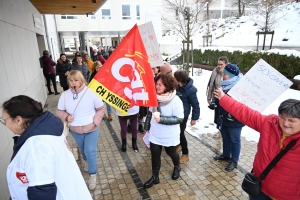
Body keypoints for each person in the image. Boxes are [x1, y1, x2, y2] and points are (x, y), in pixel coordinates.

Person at [2, 95, 92, 200]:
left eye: (4, 119)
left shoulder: (36, 147)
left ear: (18, 120)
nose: (4, 124)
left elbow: (42, 193)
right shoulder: (46, 132)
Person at [213, 92, 300, 200]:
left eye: (291, 120)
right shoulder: (270, 123)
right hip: (259, 189)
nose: (285, 123)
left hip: (285, 196)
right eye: (282, 118)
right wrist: (224, 98)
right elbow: (246, 113)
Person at [56, 70, 105, 191]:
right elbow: (59, 111)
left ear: (81, 80)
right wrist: (66, 117)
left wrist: (96, 121)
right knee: (83, 151)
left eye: (76, 80)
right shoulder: (65, 95)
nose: (73, 83)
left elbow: (101, 108)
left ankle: (92, 175)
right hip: (75, 130)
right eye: (71, 80)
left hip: (92, 128)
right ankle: (86, 162)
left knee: (90, 151)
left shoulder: (91, 92)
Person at [143, 74, 184, 189]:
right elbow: (150, 113)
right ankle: (155, 177)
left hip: (169, 135)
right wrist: (146, 128)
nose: (157, 86)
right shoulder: (153, 97)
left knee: (171, 153)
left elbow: (180, 118)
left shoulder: (176, 100)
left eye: (160, 84)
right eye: (156, 84)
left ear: (167, 85)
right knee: (155, 155)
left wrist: (162, 119)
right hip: (155, 133)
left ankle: (177, 166)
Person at [213, 64, 244, 171]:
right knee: (225, 137)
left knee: (235, 140)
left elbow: (241, 105)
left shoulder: (239, 87)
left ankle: (234, 160)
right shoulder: (224, 84)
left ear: (231, 75)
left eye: (225, 74)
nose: (223, 76)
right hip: (223, 117)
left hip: (235, 120)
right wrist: (214, 101)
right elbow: (218, 96)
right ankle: (226, 155)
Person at [173, 70, 200, 164]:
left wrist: (194, 118)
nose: (173, 79)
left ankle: (185, 153)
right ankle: (179, 145)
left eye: (175, 78)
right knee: (176, 131)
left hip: (183, 115)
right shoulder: (176, 86)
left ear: (180, 79)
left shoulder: (191, 90)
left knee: (180, 133)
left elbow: (195, 105)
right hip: (175, 113)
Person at [206, 56, 229, 138]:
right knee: (217, 115)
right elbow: (211, 85)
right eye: (218, 64)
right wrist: (209, 97)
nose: (219, 66)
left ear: (226, 64)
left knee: (224, 116)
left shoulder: (229, 73)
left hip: (227, 98)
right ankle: (219, 131)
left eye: (221, 64)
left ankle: (224, 132)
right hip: (216, 97)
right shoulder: (215, 71)